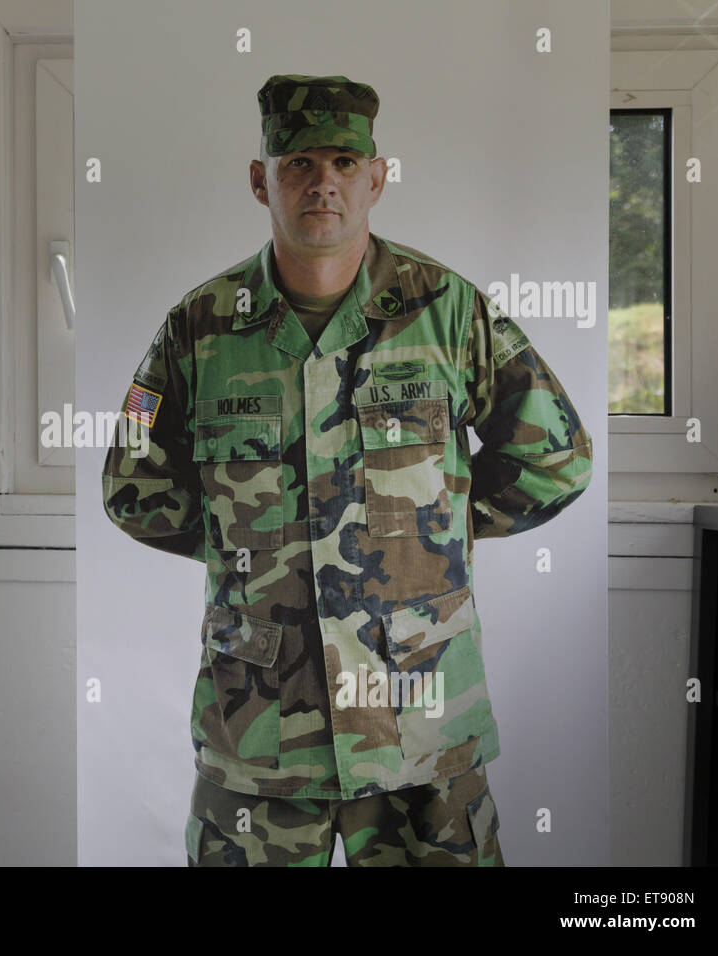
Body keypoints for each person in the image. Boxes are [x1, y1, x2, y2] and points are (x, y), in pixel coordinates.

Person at [101, 74, 593, 866]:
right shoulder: (194, 329)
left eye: (342, 160)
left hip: (419, 721)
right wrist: (252, 550)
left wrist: (439, 536)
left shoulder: (449, 310)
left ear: (376, 177)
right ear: (261, 179)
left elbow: (557, 455)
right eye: (297, 162)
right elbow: (132, 485)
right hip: (259, 727)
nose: (321, 180)